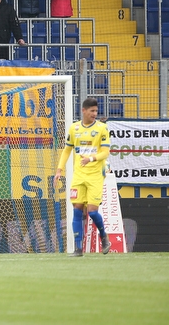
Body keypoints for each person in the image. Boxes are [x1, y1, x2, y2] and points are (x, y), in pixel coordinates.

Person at [53, 97, 112, 256]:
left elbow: (105, 152)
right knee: (77, 210)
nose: (95, 114)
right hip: (79, 175)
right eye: (92, 111)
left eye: (96, 111)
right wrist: (59, 170)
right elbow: (67, 150)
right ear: (84, 111)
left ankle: (104, 236)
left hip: (95, 175)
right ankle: (78, 248)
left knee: (92, 212)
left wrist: (91, 159)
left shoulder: (102, 128)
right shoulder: (74, 128)